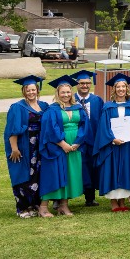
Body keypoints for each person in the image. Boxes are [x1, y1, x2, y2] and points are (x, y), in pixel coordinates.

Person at [39, 75, 89, 217]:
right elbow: (50, 128)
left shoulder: (78, 107)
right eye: (63, 92)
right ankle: (43, 207)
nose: (66, 95)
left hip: (75, 146)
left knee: (70, 175)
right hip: (58, 146)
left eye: (68, 92)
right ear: (58, 93)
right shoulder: (52, 109)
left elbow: (84, 126)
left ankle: (64, 206)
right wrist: (63, 144)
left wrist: (77, 142)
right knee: (55, 174)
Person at [5, 75, 50, 218]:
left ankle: (35, 205)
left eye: (33, 90)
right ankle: (23, 208)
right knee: (23, 175)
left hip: (39, 146)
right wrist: (14, 148)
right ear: (24, 91)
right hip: (24, 146)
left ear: (37, 90)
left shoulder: (44, 106)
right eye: (28, 90)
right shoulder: (17, 107)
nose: (31, 92)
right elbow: (12, 129)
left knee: (38, 175)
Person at [93, 73, 130, 213]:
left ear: (127, 89)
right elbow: (103, 127)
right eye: (118, 87)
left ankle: (123, 201)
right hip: (112, 145)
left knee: (125, 170)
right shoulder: (108, 107)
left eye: (123, 87)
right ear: (114, 89)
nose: (121, 89)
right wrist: (112, 139)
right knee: (112, 170)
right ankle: (114, 203)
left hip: (127, 146)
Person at [71, 70, 103, 208]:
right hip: (75, 141)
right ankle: (60, 199)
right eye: (81, 83)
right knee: (73, 168)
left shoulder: (97, 100)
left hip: (93, 141)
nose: (85, 86)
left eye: (87, 83)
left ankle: (90, 198)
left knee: (91, 168)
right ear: (76, 84)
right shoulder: (70, 100)